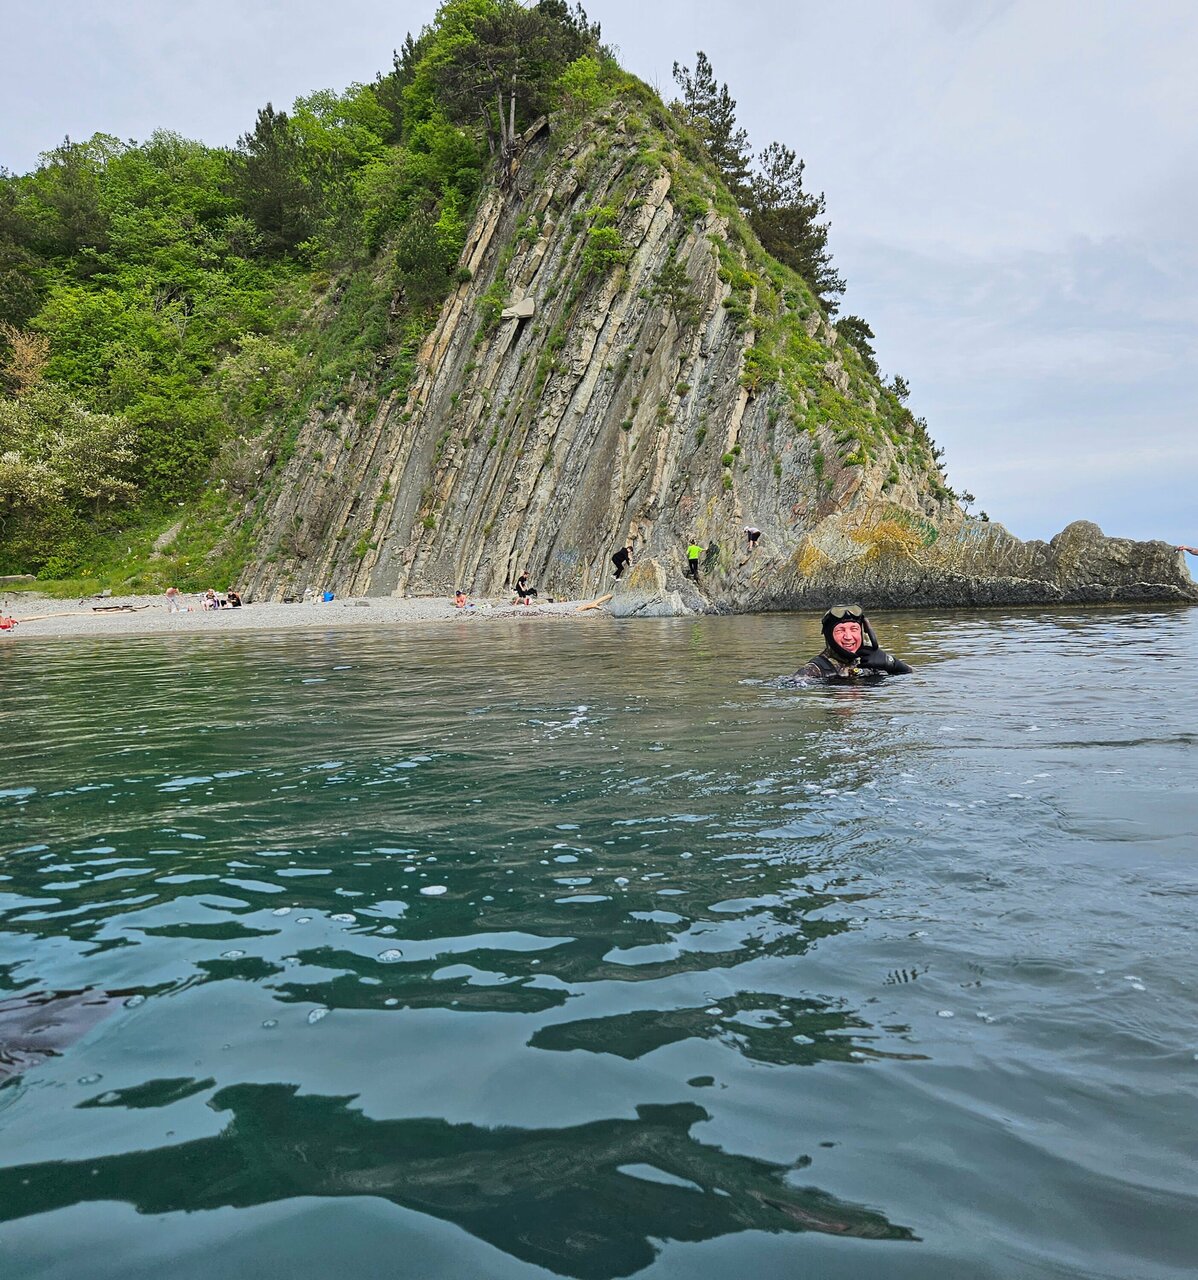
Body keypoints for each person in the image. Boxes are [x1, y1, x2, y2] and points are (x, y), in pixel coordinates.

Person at [792, 604, 912, 682]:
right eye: (840, 630)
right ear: (829, 636)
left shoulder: (870, 662)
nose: (848, 637)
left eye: (854, 629)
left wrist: (892, 663)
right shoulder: (813, 671)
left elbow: (918, 679)